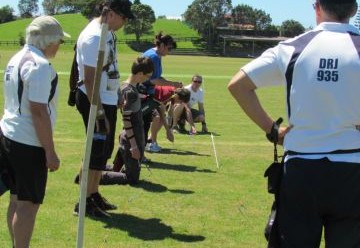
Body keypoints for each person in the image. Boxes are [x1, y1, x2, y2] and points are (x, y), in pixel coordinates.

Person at [228, 0, 360, 247]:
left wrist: (273, 130)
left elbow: (238, 85)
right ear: (353, 10)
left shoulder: (292, 47)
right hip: (353, 170)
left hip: (301, 170)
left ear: (317, 7)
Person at [0, 15, 68, 248]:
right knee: (28, 204)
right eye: (59, 41)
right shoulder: (39, 65)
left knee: (17, 199)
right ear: (48, 40)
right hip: (27, 143)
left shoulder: (16, 57)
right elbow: (38, 111)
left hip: (8, 135)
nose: (59, 46)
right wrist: (50, 151)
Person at [73, 0, 134, 217]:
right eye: (123, 18)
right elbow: (89, 80)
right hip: (94, 100)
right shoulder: (93, 37)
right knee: (95, 151)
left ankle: (93, 193)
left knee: (103, 151)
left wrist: (116, 94)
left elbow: (110, 68)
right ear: (110, 14)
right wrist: (98, 112)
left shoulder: (107, 33)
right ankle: (84, 201)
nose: (125, 23)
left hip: (106, 99)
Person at [142, 32, 182, 153]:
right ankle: (142, 149)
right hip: (142, 94)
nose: (169, 52)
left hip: (148, 93)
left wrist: (172, 83)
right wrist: (173, 84)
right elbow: (153, 80)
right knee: (145, 123)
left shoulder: (156, 55)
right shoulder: (153, 56)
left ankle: (146, 145)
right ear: (162, 45)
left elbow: (158, 77)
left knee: (152, 119)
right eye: (169, 48)